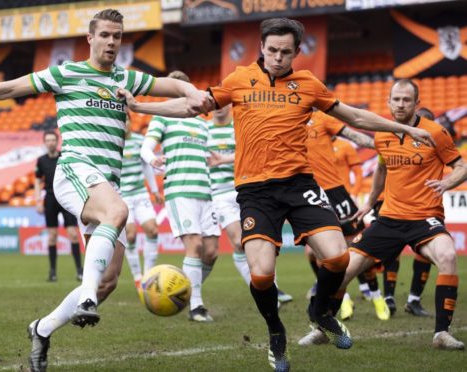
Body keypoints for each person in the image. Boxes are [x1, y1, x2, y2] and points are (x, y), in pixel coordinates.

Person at [119, 18, 436, 371]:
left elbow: (355, 117)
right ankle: (276, 332)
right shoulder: (238, 79)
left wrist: (403, 128)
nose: (278, 57)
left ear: (297, 52)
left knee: (337, 257)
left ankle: (320, 311)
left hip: (299, 185)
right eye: (272, 50)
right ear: (262, 48)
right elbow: (193, 106)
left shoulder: (309, 84)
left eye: (286, 52)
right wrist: (140, 107)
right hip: (256, 191)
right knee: (262, 274)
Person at [0, 9, 213, 372]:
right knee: (117, 215)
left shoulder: (127, 78)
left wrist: (193, 91)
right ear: (90, 38)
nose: (111, 42)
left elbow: (173, 85)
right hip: (74, 170)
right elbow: (10, 87)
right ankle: (85, 297)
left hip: (107, 181)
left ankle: (42, 329)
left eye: (117, 36)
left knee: (108, 282)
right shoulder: (67, 73)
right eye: (104, 34)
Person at [335, 79, 466, 350]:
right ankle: (323, 327)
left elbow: (461, 166)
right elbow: (382, 169)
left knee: (448, 256)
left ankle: (441, 333)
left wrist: (446, 183)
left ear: (417, 103)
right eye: (396, 99)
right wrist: (370, 202)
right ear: (388, 101)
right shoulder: (383, 134)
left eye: (407, 100)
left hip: (425, 217)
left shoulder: (436, 132)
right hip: (390, 218)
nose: (401, 104)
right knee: (342, 270)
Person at [141, 70, 221, 322]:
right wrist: (153, 159)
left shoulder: (201, 121)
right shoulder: (163, 116)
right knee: (194, 245)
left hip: (205, 192)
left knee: (211, 252)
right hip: (179, 189)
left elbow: (209, 157)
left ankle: (183, 288)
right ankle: (195, 305)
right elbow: (146, 147)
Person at [299, 110, 391, 324]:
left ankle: (376, 296)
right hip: (307, 194)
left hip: (334, 191)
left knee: (356, 248)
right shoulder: (285, 119)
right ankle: (344, 297)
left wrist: (383, 145)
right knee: (313, 252)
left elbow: (353, 135)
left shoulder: (322, 118)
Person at [207, 104, 293, 304]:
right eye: (215, 105)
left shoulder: (238, 128)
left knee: (263, 240)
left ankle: (273, 288)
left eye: (223, 104)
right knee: (238, 242)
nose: (219, 108)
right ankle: (260, 289)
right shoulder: (204, 130)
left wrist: (224, 160)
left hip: (246, 189)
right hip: (219, 193)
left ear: (230, 106)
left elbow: (253, 152)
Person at [377, 106, 435, 317]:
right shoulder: (393, 142)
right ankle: (388, 296)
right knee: (390, 251)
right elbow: (381, 168)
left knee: (425, 253)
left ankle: (413, 299)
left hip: (424, 207)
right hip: (391, 205)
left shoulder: (435, 145)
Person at [35, 130, 83, 282]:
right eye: (48, 140)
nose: (50, 142)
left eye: (53, 140)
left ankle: (80, 271)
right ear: (44, 142)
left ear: (57, 142)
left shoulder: (64, 157)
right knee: (52, 237)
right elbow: (37, 180)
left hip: (66, 198)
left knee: (73, 234)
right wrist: (38, 200)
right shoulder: (41, 161)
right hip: (49, 199)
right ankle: (53, 272)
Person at [121, 117, 163, 289]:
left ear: (131, 122)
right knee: (130, 235)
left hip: (140, 194)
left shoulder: (140, 141)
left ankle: (148, 274)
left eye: (126, 120)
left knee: (152, 230)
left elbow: (147, 166)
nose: (124, 124)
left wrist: (154, 190)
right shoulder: (114, 143)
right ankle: (137, 276)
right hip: (122, 195)